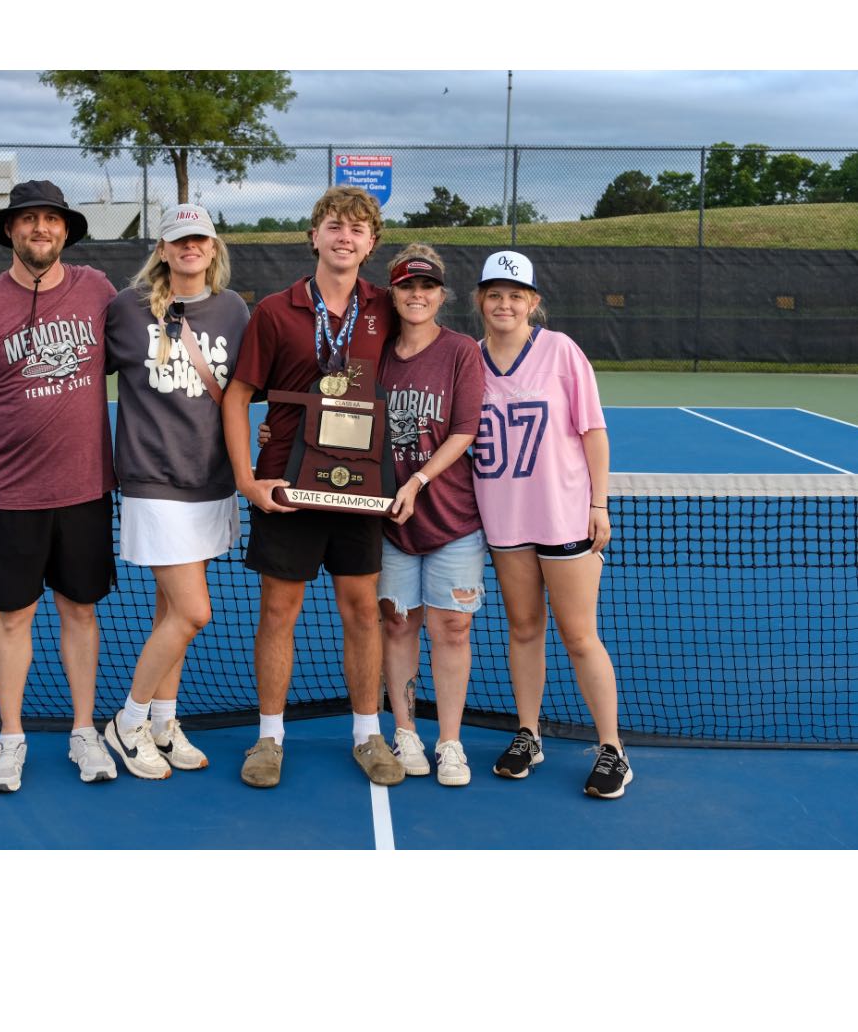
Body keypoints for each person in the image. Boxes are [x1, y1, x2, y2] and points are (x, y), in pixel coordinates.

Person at [0, 179, 119, 795]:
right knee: (13, 617)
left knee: (81, 610)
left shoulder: (97, 290)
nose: (41, 228)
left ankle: (84, 730)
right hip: (8, 495)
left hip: (85, 489)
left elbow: (144, 354)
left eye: (51, 219)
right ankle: (11, 737)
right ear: (10, 231)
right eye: (28, 219)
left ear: (65, 230)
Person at [222, 185, 404, 789]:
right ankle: (269, 737)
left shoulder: (387, 307)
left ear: (371, 244)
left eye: (357, 229)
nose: (344, 237)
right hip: (287, 486)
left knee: (362, 611)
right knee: (279, 610)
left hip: (361, 487)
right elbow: (238, 396)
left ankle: (367, 733)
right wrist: (247, 480)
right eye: (334, 225)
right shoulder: (276, 311)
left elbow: (426, 358)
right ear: (314, 236)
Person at [471, 250, 632, 800]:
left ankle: (612, 748)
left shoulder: (561, 351)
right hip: (504, 521)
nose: (505, 304)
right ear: (480, 301)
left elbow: (593, 432)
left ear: (533, 302)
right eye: (495, 295)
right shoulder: (468, 359)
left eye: (515, 295)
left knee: (579, 635)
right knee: (523, 629)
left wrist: (599, 504)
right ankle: (528, 734)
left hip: (564, 518)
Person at [102, 205, 250, 778]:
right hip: (153, 480)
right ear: (162, 249)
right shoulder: (126, 308)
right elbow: (85, 380)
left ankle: (164, 723)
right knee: (193, 612)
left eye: (199, 239)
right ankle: (129, 720)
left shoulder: (233, 310)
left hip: (210, 482)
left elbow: (242, 391)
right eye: (179, 240)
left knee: (171, 612)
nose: (190, 247)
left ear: (213, 248)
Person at [377, 246, 486, 786]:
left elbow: (465, 429)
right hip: (387, 523)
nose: (417, 295)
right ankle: (405, 732)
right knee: (398, 624)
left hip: (453, 518)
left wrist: (418, 481)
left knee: (453, 628)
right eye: (406, 286)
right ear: (392, 294)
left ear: (442, 295)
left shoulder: (462, 351)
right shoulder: (375, 353)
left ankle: (449, 741)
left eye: (427, 287)